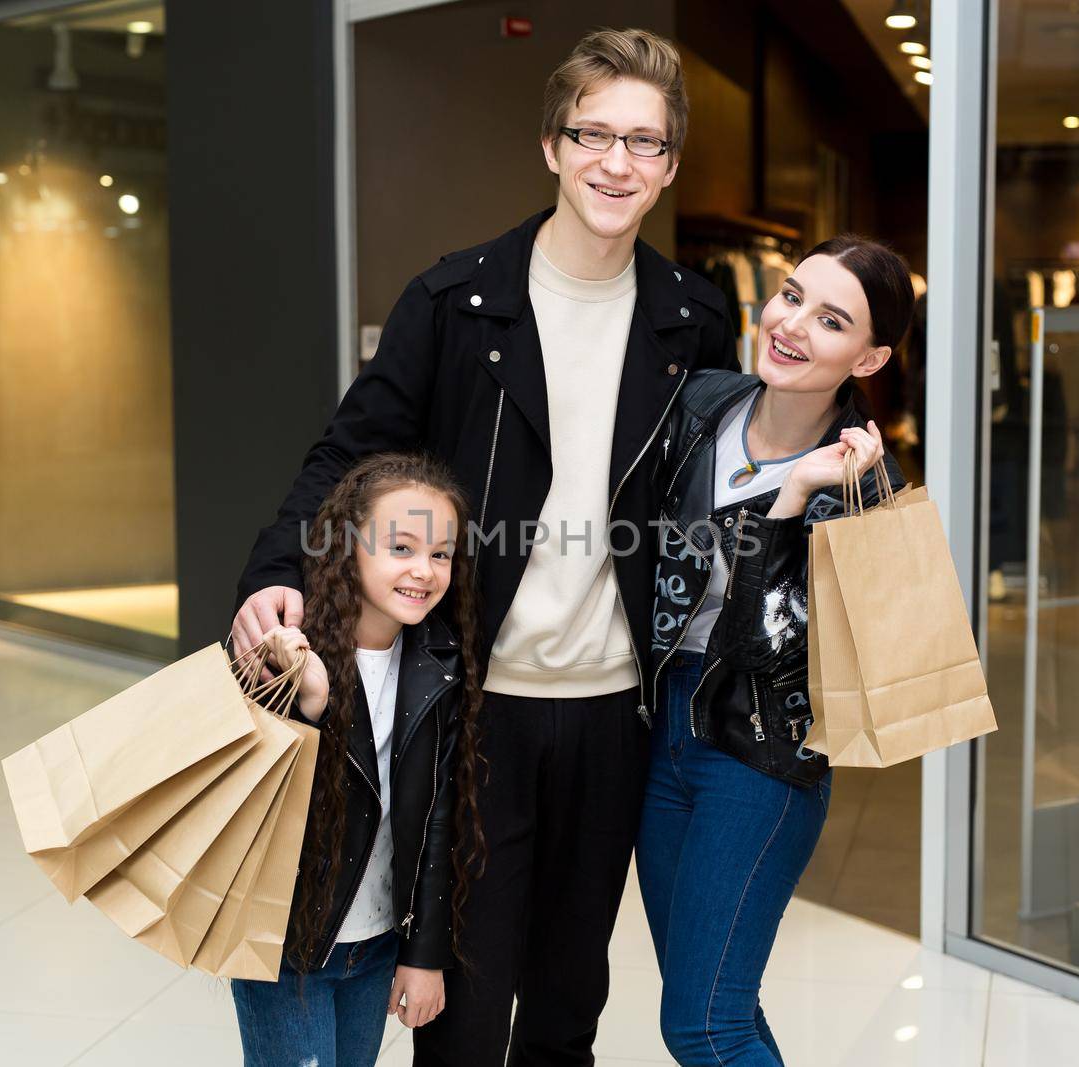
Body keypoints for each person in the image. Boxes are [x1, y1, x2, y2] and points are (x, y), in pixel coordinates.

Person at [231, 27, 738, 1065]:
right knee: (458, 1010)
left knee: (567, 1004)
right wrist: (277, 571)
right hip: (473, 705)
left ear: (670, 167)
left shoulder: (693, 315)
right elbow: (346, 453)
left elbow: (719, 482)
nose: (616, 162)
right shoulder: (458, 302)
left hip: (613, 713)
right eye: (593, 133)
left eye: (644, 143)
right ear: (550, 145)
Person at [640, 236, 912, 1065]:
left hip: (759, 757)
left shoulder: (863, 484)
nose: (791, 325)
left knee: (702, 1028)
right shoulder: (701, 405)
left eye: (831, 320)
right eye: (790, 296)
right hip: (662, 737)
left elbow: (768, 649)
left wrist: (791, 498)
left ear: (869, 356)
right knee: (722, 1006)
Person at [231, 452, 486, 1067]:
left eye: (441, 554)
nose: (423, 571)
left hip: (373, 945)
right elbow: (259, 817)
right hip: (288, 948)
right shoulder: (284, 655)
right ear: (348, 547)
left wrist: (422, 955)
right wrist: (310, 708)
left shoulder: (439, 666)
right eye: (400, 547)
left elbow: (437, 824)